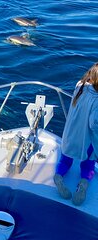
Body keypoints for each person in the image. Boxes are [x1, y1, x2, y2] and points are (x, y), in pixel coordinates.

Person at [54, 62, 98, 206]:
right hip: (86, 139)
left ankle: (58, 176)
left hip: (70, 132)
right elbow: (93, 124)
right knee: (88, 164)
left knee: (65, 159)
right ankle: (84, 184)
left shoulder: (80, 85)